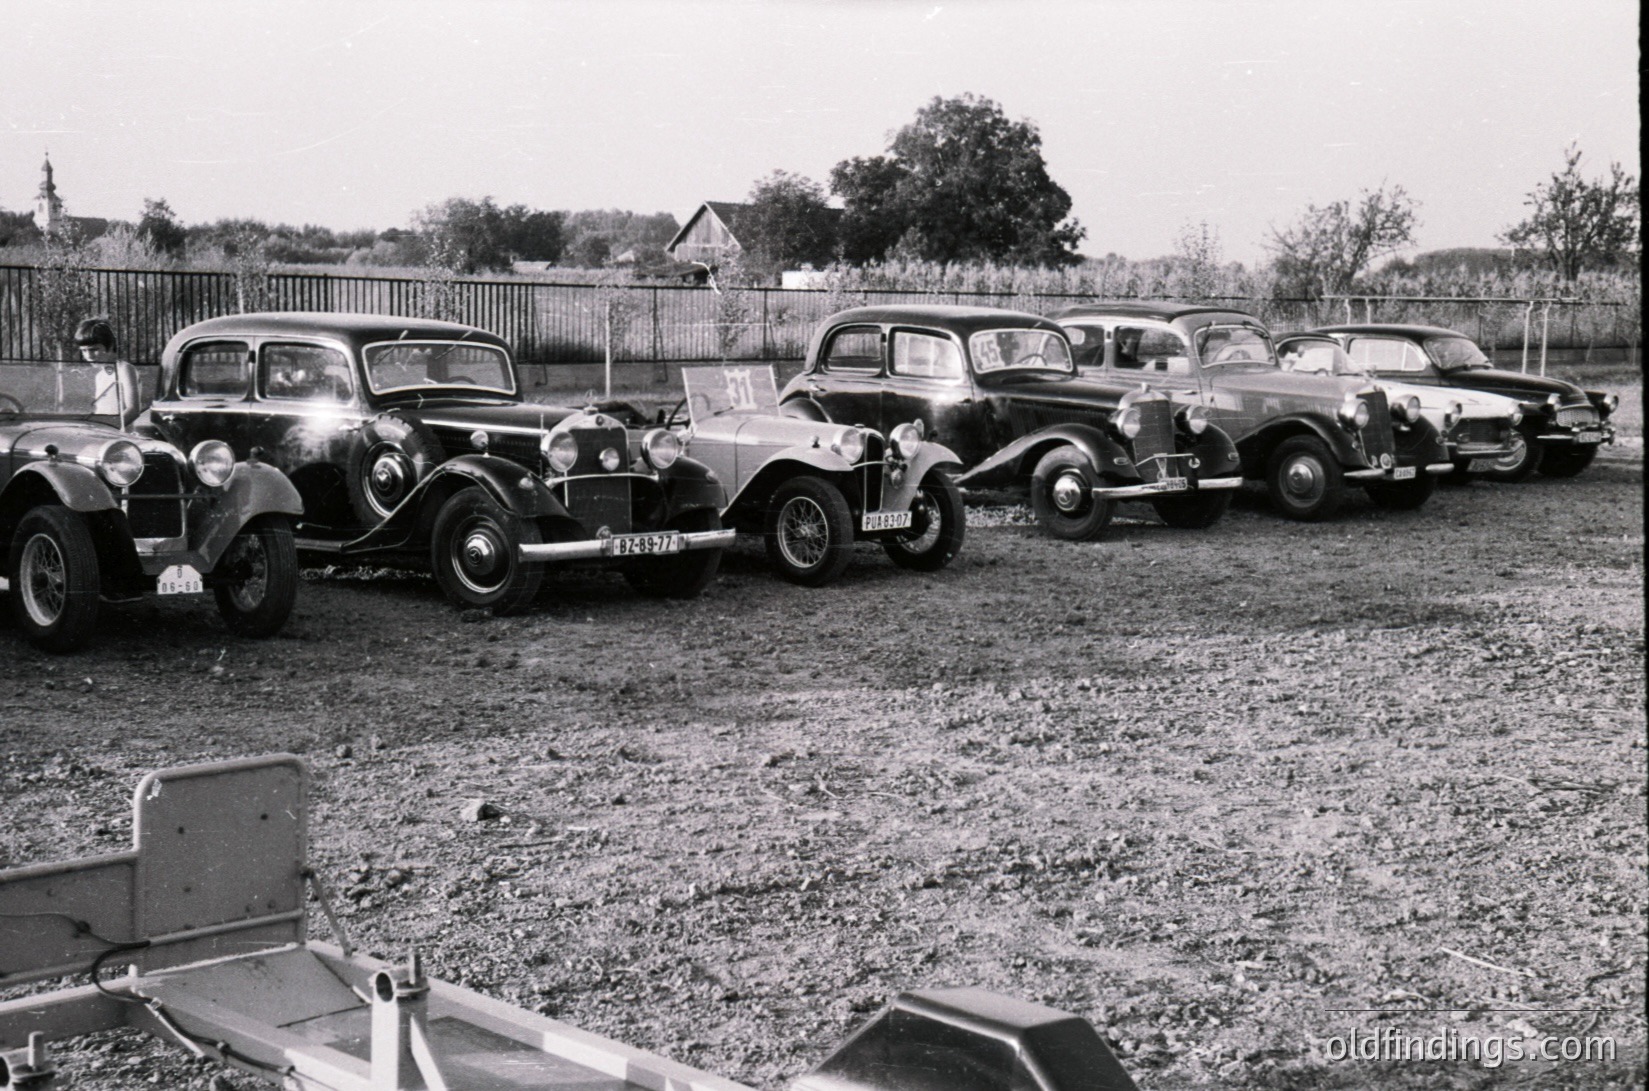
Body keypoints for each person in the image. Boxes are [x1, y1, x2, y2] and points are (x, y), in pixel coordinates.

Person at [74, 317, 136, 422]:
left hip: (118, 433)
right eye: (84, 351)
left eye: (94, 349)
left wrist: (108, 428)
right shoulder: (100, 376)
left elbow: (133, 410)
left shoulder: (124, 369)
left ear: (110, 346)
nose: (88, 356)